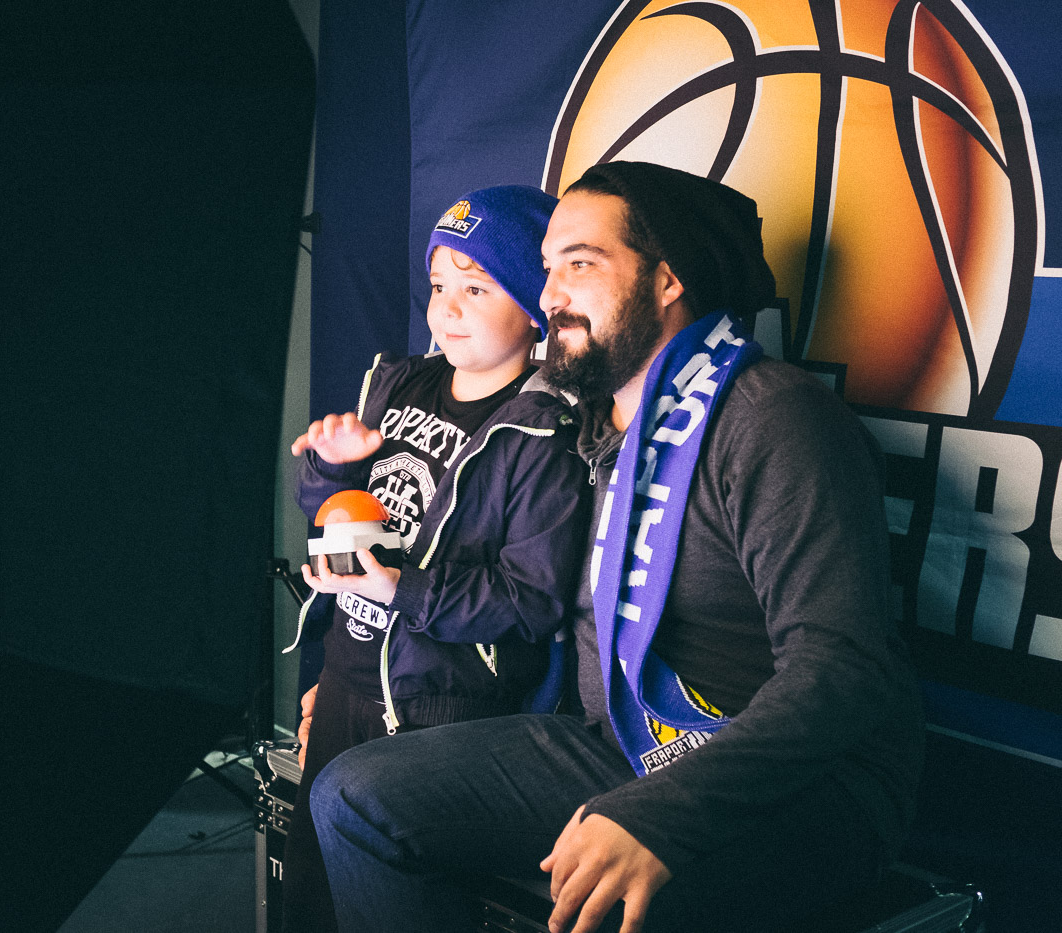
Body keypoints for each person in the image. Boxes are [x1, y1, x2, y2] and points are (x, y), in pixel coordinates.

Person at [307, 161, 923, 933]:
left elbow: (843, 671)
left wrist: (665, 811)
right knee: (355, 795)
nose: (549, 294)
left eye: (580, 265)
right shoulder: (583, 425)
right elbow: (505, 588)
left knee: (613, 908)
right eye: (546, 269)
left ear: (668, 279)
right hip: (617, 748)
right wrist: (363, 688)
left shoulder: (776, 419)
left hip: (800, 785)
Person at [281, 185, 591, 933]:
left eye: (476, 289)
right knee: (314, 901)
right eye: (439, 285)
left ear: (533, 308)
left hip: (440, 706)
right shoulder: (400, 382)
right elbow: (334, 515)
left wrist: (404, 590)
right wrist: (328, 468)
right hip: (348, 673)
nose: (447, 308)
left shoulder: (543, 433)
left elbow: (531, 600)